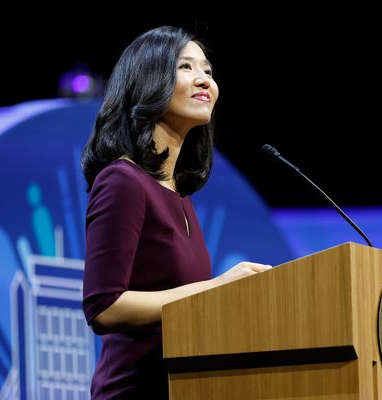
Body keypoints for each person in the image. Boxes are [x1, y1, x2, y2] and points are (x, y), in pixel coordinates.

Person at [81, 26, 272, 399]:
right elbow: (104, 305)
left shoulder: (179, 195)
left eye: (208, 70)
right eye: (186, 67)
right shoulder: (123, 180)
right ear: (147, 81)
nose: (204, 79)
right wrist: (215, 289)